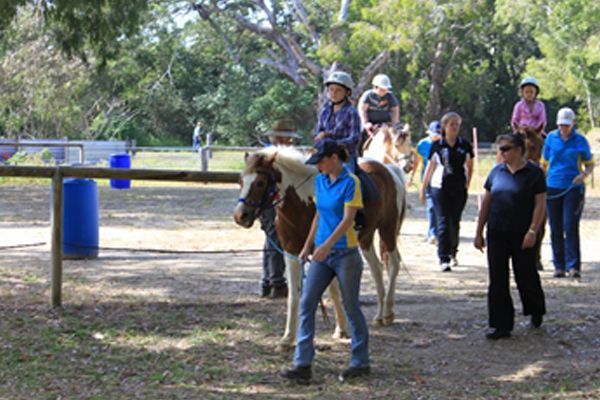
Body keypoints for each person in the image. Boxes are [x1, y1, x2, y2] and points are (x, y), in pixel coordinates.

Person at [281, 139, 369, 384]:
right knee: (307, 303)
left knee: (351, 306)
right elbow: (318, 214)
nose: (318, 167)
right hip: (321, 253)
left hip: (345, 254)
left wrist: (327, 245)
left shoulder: (352, 182)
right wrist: (308, 245)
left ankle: (360, 360)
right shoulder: (319, 181)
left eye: (320, 161)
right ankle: (303, 363)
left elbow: (348, 220)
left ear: (333, 158)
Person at [474, 134, 547, 340]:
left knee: (525, 274)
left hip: (523, 233)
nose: (502, 153)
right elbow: (486, 203)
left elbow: (540, 204)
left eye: (506, 149)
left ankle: (535, 309)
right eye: (500, 149)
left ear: (518, 149)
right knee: (497, 278)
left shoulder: (534, 173)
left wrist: (533, 230)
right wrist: (479, 232)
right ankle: (500, 324)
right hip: (497, 232)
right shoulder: (496, 172)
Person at [541, 107, 594, 278]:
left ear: (573, 123)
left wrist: (584, 174)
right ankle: (559, 265)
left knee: (570, 225)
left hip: (573, 187)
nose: (564, 128)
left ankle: (574, 266)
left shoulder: (580, 141)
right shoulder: (550, 138)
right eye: (561, 125)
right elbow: (544, 161)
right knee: (555, 227)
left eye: (567, 125)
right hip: (553, 186)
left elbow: (590, 163)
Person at [420, 112, 473, 271]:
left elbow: (469, 165)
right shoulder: (438, 146)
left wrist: (467, 184)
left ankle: (453, 252)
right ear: (445, 126)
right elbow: (430, 167)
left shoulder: (464, 145)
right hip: (439, 187)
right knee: (442, 222)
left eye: (457, 124)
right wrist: (423, 189)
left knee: (454, 222)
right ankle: (443, 257)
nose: (455, 127)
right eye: (451, 124)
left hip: (458, 187)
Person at [258, 120, 302, 299]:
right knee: (274, 238)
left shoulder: (284, 156)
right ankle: (275, 282)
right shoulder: (268, 158)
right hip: (271, 203)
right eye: (285, 138)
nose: (287, 142)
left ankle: (270, 282)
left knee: (273, 239)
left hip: (280, 203)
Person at [314, 71, 362, 173]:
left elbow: (354, 138)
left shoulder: (351, 112)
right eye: (331, 90)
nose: (333, 93)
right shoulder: (325, 110)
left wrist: (334, 145)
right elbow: (319, 131)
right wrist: (319, 137)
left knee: (348, 179)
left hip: (344, 157)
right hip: (324, 155)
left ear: (347, 92)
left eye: (338, 90)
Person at [410, 120, 442, 244]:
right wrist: (412, 176)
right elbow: (417, 161)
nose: (436, 136)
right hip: (428, 178)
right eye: (434, 134)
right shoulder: (422, 144)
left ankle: (441, 230)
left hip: (442, 179)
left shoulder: (445, 143)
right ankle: (432, 233)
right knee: (431, 205)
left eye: (438, 134)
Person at [358, 74, 400, 142]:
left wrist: (394, 124)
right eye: (382, 89)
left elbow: (395, 110)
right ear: (375, 87)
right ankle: (356, 152)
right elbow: (363, 110)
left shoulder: (390, 96)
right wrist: (366, 123)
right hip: (370, 123)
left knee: (400, 136)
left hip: (386, 122)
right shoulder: (368, 95)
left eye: (386, 89)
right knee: (360, 135)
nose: (384, 91)